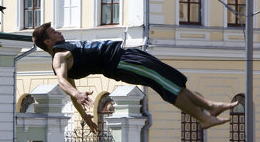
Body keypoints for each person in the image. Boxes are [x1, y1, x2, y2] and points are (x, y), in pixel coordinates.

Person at [32, 23, 237, 133]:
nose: (59, 32)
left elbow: (70, 89)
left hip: (126, 55)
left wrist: (85, 116)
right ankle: (203, 118)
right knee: (166, 85)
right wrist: (76, 93)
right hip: (120, 64)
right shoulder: (59, 56)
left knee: (171, 78)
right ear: (48, 41)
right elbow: (62, 81)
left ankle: (210, 106)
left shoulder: (65, 50)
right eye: (54, 32)